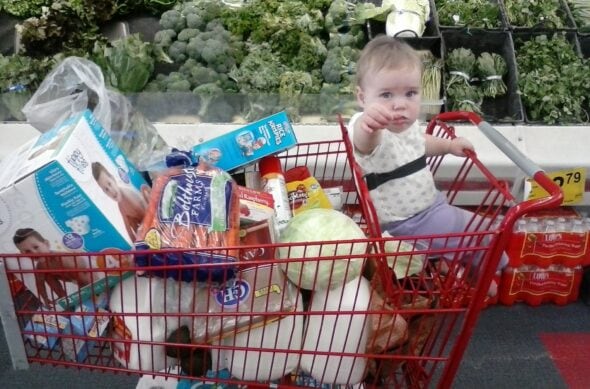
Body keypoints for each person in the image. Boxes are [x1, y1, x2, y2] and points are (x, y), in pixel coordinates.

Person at [349, 36, 507, 293]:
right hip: (406, 224)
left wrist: (447, 146)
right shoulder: (370, 128)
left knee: (463, 226)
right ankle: (482, 275)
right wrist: (369, 123)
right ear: (362, 97)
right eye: (386, 94)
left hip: (428, 209)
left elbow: (419, 142)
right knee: (483, 231)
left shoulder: (405, 127)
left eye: (410, 93)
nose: (400, 104)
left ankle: (445, 263)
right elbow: (363, 143)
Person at [13, 228, 93, 307]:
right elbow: (39, 284)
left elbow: (80, 274)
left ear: (46, 244)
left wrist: (86, 290)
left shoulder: (61, 259)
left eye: (36, 247)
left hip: (85, 272)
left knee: (84, 278)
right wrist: (45, 299)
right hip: (69, 276)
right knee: (46, 275)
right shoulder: (40, 267)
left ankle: (91, 293)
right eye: (27, 251)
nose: (34, 253)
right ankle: (63, 298)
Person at [92, 161, 150, 241]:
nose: (111, 191)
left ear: (113, 179)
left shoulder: (126, 195)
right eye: (106, 189)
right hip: (141, 220)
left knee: (136, 222)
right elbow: (127, 228)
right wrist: (136, 245)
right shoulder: (120, 204)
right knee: (131, 221)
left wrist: (145, 232)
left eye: (109, 184)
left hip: (149, 213)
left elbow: (146, 213)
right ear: (104, 192)